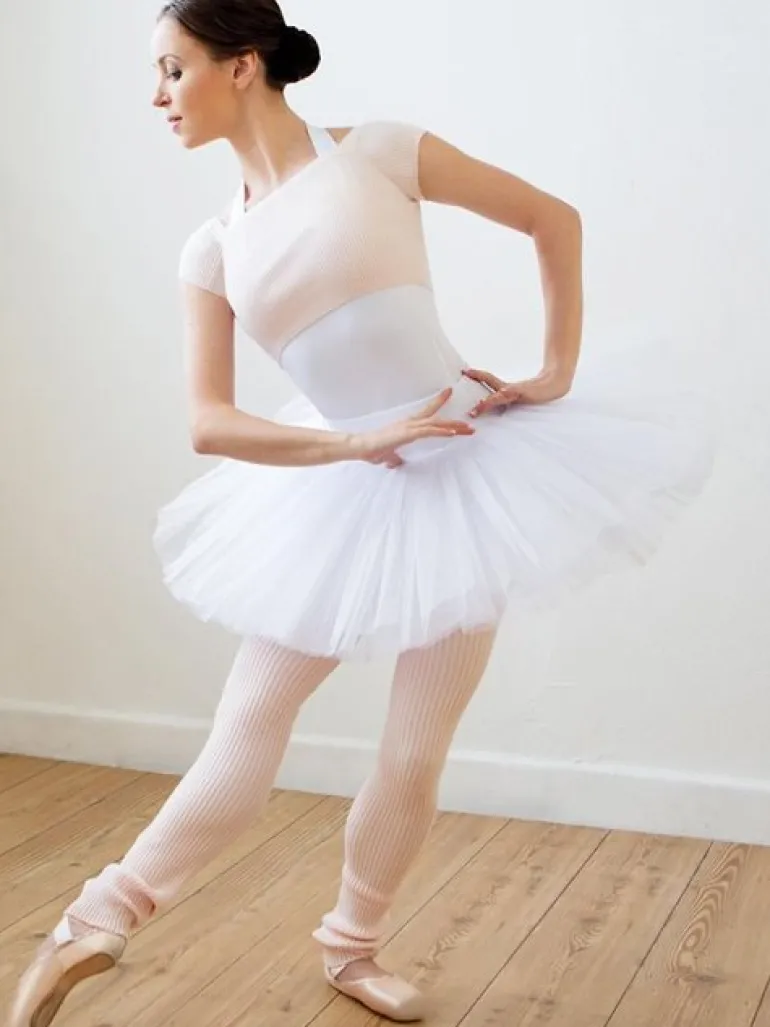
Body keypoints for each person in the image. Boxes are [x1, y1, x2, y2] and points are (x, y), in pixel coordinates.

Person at [8, 1, 715, 1024]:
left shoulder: (376, 153)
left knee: (414, 749)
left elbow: (551, 218)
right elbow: (209, 423)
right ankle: (92, 920)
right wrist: (350, 445)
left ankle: (351, 945)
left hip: (467, 471)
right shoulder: (212, 249)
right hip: (339, 482)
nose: (156, 96)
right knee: (249, 721)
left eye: (172, 68)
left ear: (241, 65)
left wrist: (554, 370)